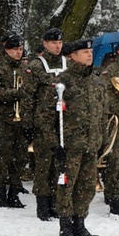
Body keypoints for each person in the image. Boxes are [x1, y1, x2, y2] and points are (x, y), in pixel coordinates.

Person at [52, 39, 104, 236]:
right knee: (67, 184)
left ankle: (80, 223)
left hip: (91, 143)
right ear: (72, 56)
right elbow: (48, 115)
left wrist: (103, 140)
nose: (89, 55)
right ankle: (65, 225)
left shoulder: (97, 81)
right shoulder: (63, 82)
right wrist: (54, 143)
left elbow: (102, 112)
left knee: (87, 185)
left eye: (90, 51)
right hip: (71, 143)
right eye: (84, 52)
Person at [24, 27, 67, 221]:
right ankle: (43, 204)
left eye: (59, 43)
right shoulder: (36, 65)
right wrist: (28, 123)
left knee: (60, 165)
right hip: (43, 122)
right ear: (45, 44)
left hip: (64, 122)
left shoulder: (68, 63)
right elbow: (28, 96)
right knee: (44, 164)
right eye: (53, 43)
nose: (57, 46)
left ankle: (56, 203)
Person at [0, 34, 29, 208]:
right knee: (4, 158)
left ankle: (15, 192)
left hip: (21, 120)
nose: (18, 53)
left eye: (20, 49)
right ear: (7, 50)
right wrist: (14, 93)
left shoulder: (26, 70)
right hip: (4, 120)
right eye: (15, 49)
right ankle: (2, 193)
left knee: (19, 158)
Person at [101, 36, 119, 218]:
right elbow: (106, 99)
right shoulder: (111, 71)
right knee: (115, 163)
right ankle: (114, 199)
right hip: (117, 124)